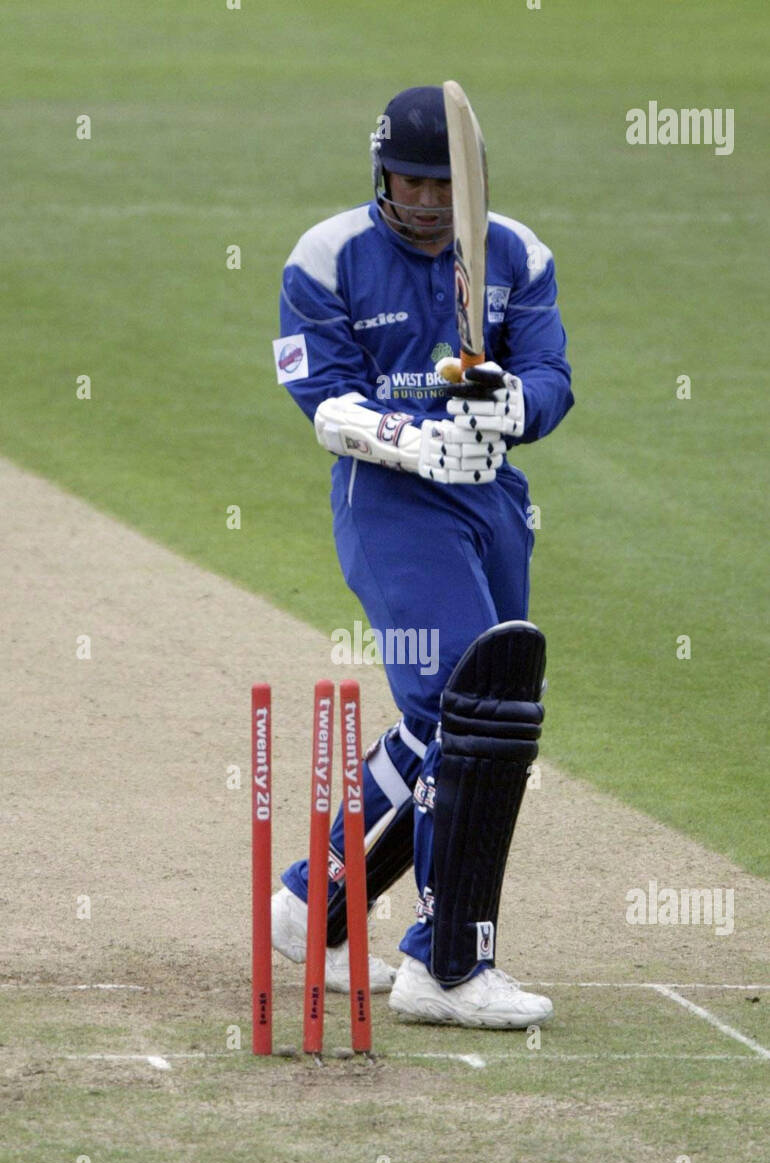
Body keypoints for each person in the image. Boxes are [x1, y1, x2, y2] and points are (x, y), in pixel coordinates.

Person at [271, 85, 573, 1028]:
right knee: (473, 709)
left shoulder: (517, 253)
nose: (432, 202)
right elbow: (322, 397)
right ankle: (441, 964)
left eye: (449, 184)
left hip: (493, 503)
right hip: (392, 504)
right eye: (413, 181)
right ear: (381, 172)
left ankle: (311, 906)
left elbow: (552, 374)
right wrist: (411, 438)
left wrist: (508, 407)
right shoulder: (327, 257)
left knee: (469, 719)